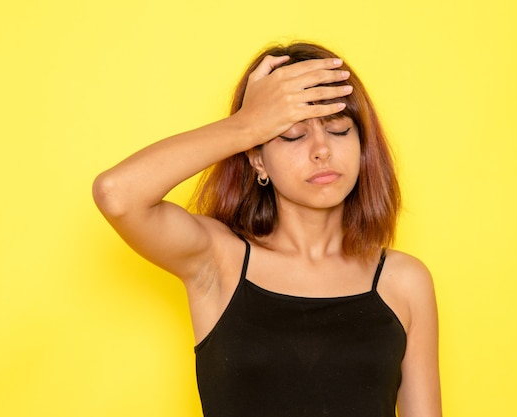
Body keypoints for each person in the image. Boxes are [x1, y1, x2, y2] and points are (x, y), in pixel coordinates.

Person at [93, 41, 442, 417]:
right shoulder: (218, 261)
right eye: (292, 134)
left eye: (339, 130)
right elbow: (117, 194)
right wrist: (248, 124)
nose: (321, 149)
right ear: (258, 159)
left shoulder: (403, 281)